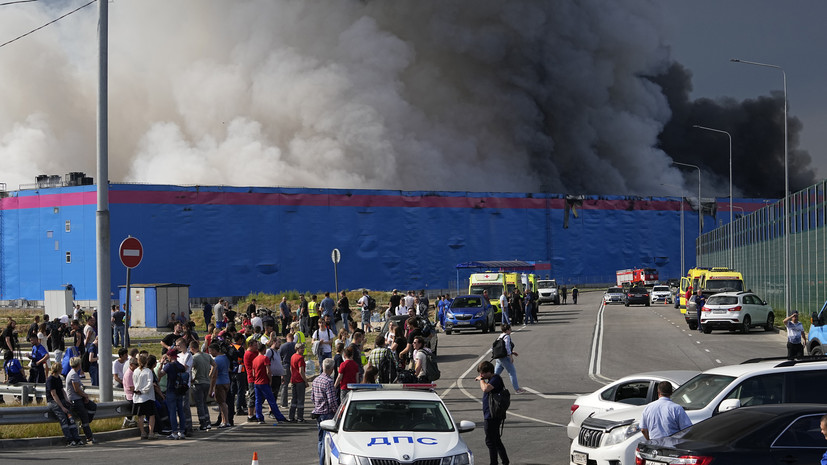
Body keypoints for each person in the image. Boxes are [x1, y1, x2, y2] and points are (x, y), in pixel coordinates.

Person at [476, 360, 509, 465]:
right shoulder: (491, 379)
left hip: (492, 415)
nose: (481, 375)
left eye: (483, 373)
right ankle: (505, 461)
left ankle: (494, 462)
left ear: (489, 371)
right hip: (491, 414)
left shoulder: (495, 379)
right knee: (496, 440)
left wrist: (481, 380)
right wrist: (483, 378)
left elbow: (485, 389)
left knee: (490, 441)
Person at [46, 362, 85, 446]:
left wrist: (67, 400)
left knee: (70, 418)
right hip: (53, 402)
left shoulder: (58, 379)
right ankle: (69, 439)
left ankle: (77, 438)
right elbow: (54, 394)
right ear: (58, 369)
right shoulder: (50, 380)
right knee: (63, 419)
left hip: (61, 400)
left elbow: (62, 390)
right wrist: (62, 407)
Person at [252, 340, 288, 425]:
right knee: (271, 400)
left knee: (258, 400)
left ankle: (259, 417)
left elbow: (253, 372)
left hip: (256, 382)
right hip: (264, 382)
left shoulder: (255, 359)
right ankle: (279, 417)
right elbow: (268, 371)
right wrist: (270, 380)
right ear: (264, 350)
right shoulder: (265, 358)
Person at [312, 358, 339, 465]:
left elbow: (312, 398)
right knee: (326, 440)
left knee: (320, 440)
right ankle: (322, 462)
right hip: (327, 413)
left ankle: (321, 460)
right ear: (332, 369)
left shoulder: (316, 380)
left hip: (318, 412)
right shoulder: (329, 382)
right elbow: (332, 401)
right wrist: (337, 413)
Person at [66, 356, 97, 444]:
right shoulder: (73, 375)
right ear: (78, 365)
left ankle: (85, 424)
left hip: (79, 398)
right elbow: (76, 389)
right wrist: (84, 396)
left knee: (92, 406)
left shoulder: (75, 373)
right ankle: (89, 437)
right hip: (75, 400)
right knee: (84, 417)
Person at [160, 349, 188, 440]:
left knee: (172, 412)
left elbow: (160, 375)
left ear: (169, 356)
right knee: (180, 411)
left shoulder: (168, 366)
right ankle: (182, 431)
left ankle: (174, 432)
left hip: (171, 390)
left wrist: (161, 364)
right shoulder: (181, 366)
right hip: (180, 390)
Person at [493, 324, 526, 394]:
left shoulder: (500, 336)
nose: (511, 331)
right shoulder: (507, 336)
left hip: (499, 358)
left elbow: (500, 347)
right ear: (507, 330)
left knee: (495, 375)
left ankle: (490, 386)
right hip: (505, 358)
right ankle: (517, 389)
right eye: (510, 329)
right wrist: (511, 356)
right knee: (512, 373)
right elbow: (507, 347)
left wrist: (512, 352)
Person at [190, 340, 215, 431]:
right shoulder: (207, 355)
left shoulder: (194, 358)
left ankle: (203, 423)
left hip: (198, 382)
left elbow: (190, 368)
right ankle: (208, 422)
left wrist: (192, 379)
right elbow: (214, 365)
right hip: (207, 382)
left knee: (199, 404)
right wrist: (210, 374)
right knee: (204, 403)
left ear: (192, 348)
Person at [132, 353, 158, 440]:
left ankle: (142, 432)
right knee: (151, 415)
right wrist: (143, 391)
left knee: (140, 416)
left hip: (138, 397)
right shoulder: (148, 371)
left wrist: (138, 390)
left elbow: (135, 382)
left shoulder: (135, 371)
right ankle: (151, 433)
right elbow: (150, 384)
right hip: (147, 396)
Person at [208, 343, 232, 429]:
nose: (210, 353)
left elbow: (214, 375)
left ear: (215, 350)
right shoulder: (225, 357)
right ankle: (223, 420)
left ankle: (226, 421)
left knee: (222, 403)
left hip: (219, 383)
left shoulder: (217, 360)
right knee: (222, 402)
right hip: (226, 381)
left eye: (211, 351)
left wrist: (211, 389)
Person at [289, 342, 308, 422]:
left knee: (294, 399)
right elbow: (301, 371)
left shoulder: (293, 356)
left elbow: (291, 368)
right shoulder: (300, 358)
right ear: (297, 349)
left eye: (303, 348)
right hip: (299, 381)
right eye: (301, 348)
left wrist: (292, 375)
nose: (303, 350)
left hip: (293, 380)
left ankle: (291, 416)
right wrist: (306, 381)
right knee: (300, 399)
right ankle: (300, 417)